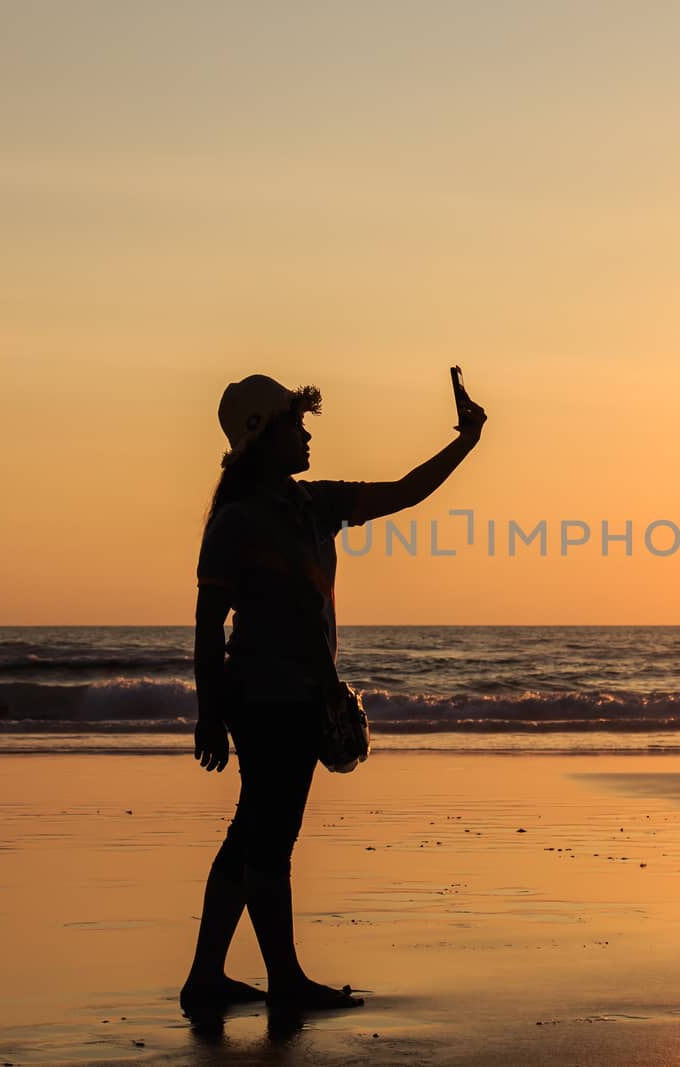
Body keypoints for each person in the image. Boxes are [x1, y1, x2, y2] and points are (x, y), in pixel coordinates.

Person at [179, 371, 486, 1015]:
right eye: (296, 422)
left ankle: (207, 977)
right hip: (263, 698)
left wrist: (466, 442)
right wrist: (210, 715)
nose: (307, 432)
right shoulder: (236, 522)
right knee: (271, 838)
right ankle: (284, 980)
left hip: (300, 695)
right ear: (264, 436)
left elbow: (404, 492)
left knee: (251, 834)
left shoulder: (314, 504)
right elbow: (209, 629)